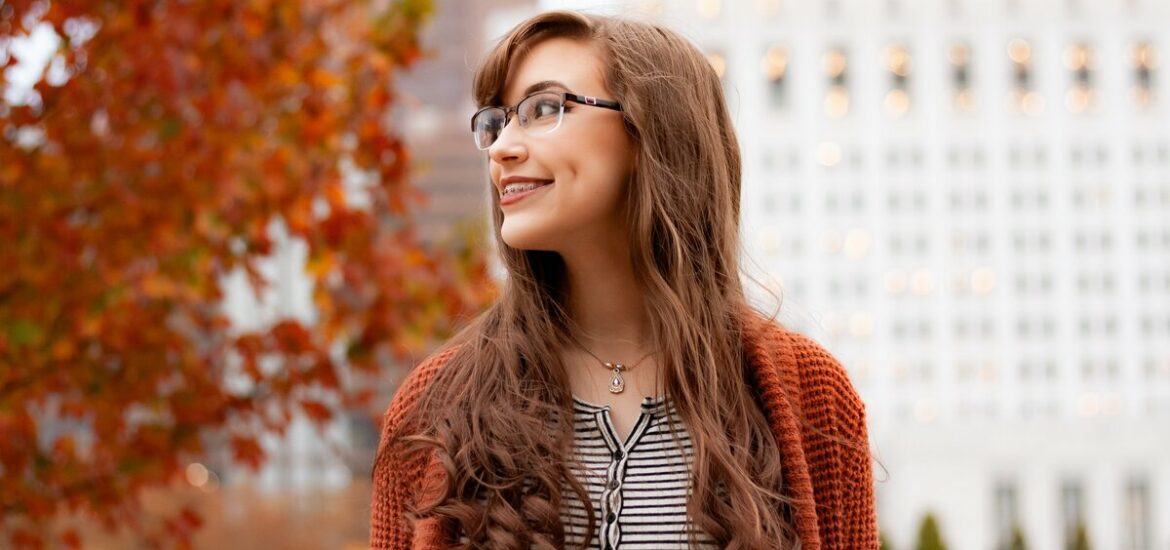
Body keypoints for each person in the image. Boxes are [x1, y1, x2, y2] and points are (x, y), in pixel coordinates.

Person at [370, 10, 877, 550]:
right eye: (498, 122)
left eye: (543, 109)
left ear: (650, 133)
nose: (500, 149)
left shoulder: (813, 397)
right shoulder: (432, 407)